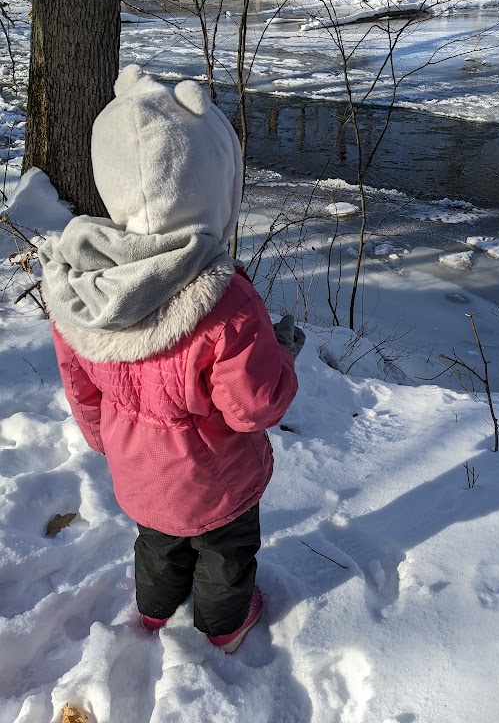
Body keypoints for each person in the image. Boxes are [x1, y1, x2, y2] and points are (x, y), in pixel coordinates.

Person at [39, 65, 304, 654]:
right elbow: (253, 407)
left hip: (139, 469)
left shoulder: (82, 284)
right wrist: (282, 354)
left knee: (157, 541)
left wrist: (105, 436)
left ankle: (156, 610)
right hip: (216, 475)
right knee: (226, 551)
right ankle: (225, 623)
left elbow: (80, 382)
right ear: (212, 183)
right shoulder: (223, 297)